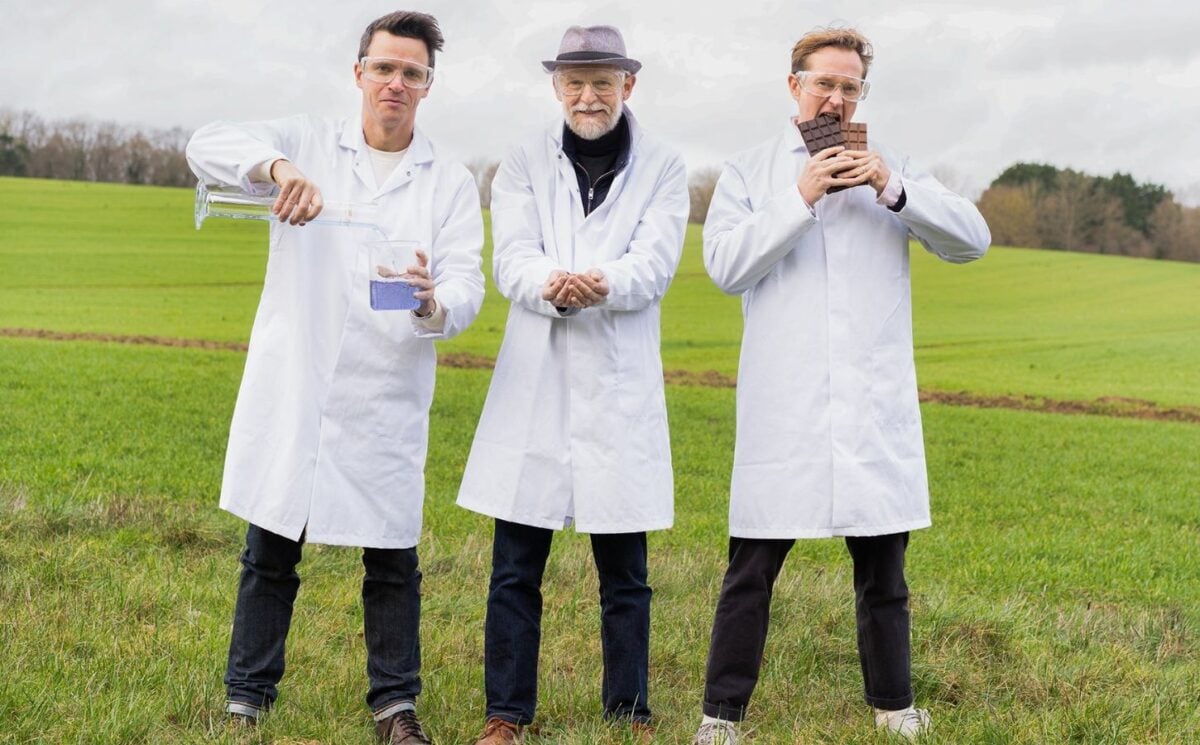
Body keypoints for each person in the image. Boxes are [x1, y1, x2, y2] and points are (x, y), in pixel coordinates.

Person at [185, 11, 484, 744]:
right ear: (359, 73)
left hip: (384, 391)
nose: (396, 83)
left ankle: (395, 707)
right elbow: (205, 143)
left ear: (428, 86)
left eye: (412, 73)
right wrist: (279, 171)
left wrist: (430, 298)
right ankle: (246, 695)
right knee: (271, 544)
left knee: (391, 561)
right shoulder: (310, 141)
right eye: (384, 68)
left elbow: (468, 282)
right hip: (301, 382)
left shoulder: (448, 181)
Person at [690, 25, 990, 744]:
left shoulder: (892, 168)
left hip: (870, 403)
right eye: (824, 81)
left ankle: (894, 707)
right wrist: (800, 197)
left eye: (850, 86)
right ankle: (721, 716)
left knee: (884, 573)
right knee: (752, 567)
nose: (836, 95)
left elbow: (971, 239)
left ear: (862, 94)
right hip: (784, 404)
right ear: (795, 85)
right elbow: (726, 266)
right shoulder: (753, 171)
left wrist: (893, 187)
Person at [455, 24, 689, 745]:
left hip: (618, 382)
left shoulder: (665, 167)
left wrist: (604, 281)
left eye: (603, 82)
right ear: (556, 86)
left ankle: (629, 712)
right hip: (538, 378)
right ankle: (506, 713)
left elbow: (655, 263)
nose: (589, 96)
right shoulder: (523, 161)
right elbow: (512, 257)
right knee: (515, 566)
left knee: (626, 571)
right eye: (575, 83)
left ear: (629, 84)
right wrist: (552, 286)